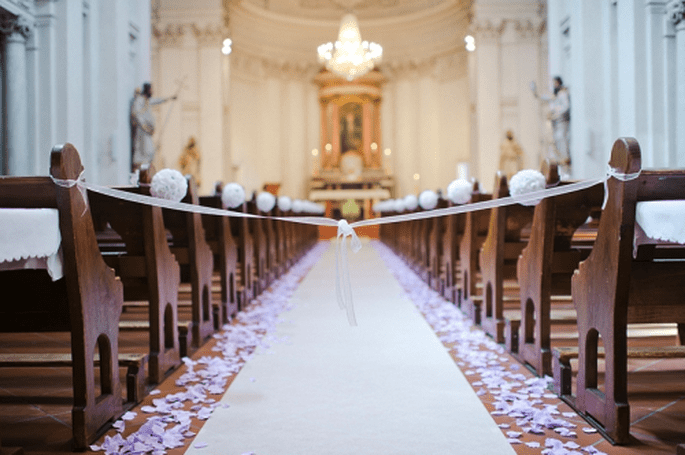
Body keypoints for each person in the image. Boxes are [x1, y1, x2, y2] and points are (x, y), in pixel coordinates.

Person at [131, 82, 177, 171]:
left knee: (149, 152)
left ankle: (146, 169)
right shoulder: (140, 100)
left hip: (147, 131)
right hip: (142, 131)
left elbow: (157, 101)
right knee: (143, 152)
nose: (152, 91)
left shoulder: (146, 100)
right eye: (151, 89)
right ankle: (140, 170)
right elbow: (136, 114)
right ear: (147, 90)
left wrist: (169, 98)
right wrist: (144, 126)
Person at [532, 76, 571, 176]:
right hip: (555, 122)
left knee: (562, 139)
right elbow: (545, 98)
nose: (554, 85)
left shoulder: (562, 93)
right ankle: (561, 162)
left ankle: (565, 160)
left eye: (555, 83)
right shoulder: (556, 94)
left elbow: (565, 107)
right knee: (554, 142)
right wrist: (535, 93)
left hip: (562, 121)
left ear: (558, 83)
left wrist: (555, 114)